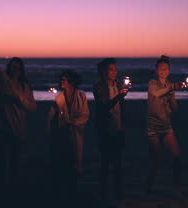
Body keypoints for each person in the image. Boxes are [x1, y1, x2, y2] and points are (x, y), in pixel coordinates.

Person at [0, 26, 37, 184]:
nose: (15, 68)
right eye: (13, 65)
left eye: (18, 66)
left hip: (19, 128)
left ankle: (13, 187)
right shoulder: (4, 80)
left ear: (21, 69)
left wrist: (18, 100)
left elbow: (32, 107)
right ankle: (2, 188)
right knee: (2, 162)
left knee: (15, 161)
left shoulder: (25, 86)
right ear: (9, 67)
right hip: (3, 128)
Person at [146, 55, 184, 197]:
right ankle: (148, 188)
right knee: (155, 161)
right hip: (153, 128)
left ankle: (176, 187)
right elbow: (156, 93)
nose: (163, 71)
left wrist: (172, 96)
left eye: (166, 69)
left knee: (177, 157)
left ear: (169, 70)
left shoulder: (169, 85)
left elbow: (174, 108)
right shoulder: (153, 83)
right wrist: (171, 88)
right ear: (157, 70)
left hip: (167, 127)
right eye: (161, 68)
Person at [48, 70, 89, 193]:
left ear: (71, 81)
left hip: (76, 134)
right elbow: (51, 118)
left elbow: (85, 115)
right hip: (62, 134)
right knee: (63, 161)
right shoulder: (59, 98)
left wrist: (74, 122)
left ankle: (73, 188)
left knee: (76, 161)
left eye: (64, 79)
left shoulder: (81, 96)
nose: (62, 81)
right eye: (62, 79)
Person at [92, 58, 129, 200]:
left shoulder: (118, 85)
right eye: (111, 69)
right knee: (105, 161)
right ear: (103, 71)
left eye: (115, 69)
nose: (114, 72)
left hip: (118, 127)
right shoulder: (98, 87)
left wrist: (124, 125)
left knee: (118, 161)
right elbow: (103, 107)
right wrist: (119, 96)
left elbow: (121, 108)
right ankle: (103, 191)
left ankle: (117, 191)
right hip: (105, 128)